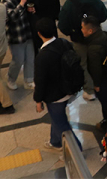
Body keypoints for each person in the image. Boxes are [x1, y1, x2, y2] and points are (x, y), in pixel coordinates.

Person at [33, 18, 80, 151]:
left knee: (62, 124)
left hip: (54, 96)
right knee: (57, 118)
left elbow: (40, 81)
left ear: (39, 33)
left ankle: (77, 150)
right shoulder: (64, 43)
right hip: (68, 89)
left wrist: (38, 100)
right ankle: (56, 142)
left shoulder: (42, 56)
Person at [58, 0, 107, 100]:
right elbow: (104, 14)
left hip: (78, 37)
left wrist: (71, 32)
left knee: (83, 63)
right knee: (99, 59)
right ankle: (101, 85)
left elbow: (63, 24)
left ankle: (89, 90)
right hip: (96, 35)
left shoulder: (69, 3)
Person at [2, 0, 35, 90]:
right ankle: (11, 79)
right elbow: (12, 17)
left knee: (30, 57)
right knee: (18, 60)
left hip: (26, 31)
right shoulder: (6, 1)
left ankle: (29, 79)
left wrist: (28, 9)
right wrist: (22, 4)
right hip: (15, 35)